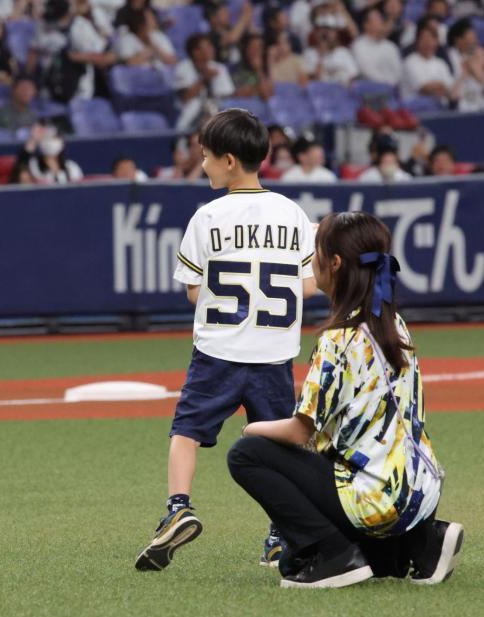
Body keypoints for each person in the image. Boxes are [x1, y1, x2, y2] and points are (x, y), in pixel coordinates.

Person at [228, 211, 462, 588]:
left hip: (374, 497)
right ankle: (423, 543)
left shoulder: (339, 339)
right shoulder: (392, 323)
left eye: (316, 251)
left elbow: (298, 432)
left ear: (334, 263)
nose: (310, 259)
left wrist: (252, 427)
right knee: (351, 561)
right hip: (421, 489)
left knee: (247, 454)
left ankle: (333, 557)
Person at [134, 109, 317, 572]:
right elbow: (310, 283)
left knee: (186, 432)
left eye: (206, 157)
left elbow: (195, 290)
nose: (203, 165)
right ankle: (283, 533)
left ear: (230, 160)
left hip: (218, 350)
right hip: (274, 353)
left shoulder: (207, 216)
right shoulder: (293, 213)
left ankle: (178, 507)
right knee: (282, 445)